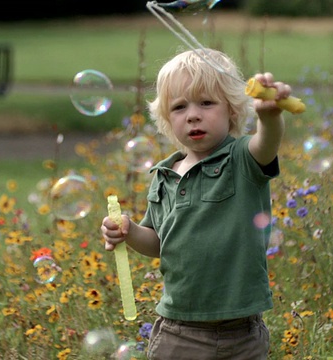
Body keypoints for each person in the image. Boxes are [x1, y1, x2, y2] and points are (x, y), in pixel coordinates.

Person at [101, 48, 291, 360]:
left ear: (231, 109)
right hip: (179, 331)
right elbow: (157, 242)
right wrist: (129, 231)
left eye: (206, 102)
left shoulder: (242, 158)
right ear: (166, 119)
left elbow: (267, 142)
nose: (193, 115)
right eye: (179, 107)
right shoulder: (164, 175)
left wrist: (269, 117)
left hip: (241, 332)